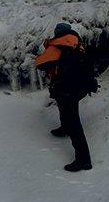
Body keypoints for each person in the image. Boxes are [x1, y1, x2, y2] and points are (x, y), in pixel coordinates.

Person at [35, 23, 92, 172]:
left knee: (74, 123)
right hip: (79, 86)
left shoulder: (57, 46)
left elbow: (40, 64)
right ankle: (64, 128)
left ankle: (83, 160)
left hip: (66, 88)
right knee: (65, 108)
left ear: (57, 33)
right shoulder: (77, 43)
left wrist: (44, 52)